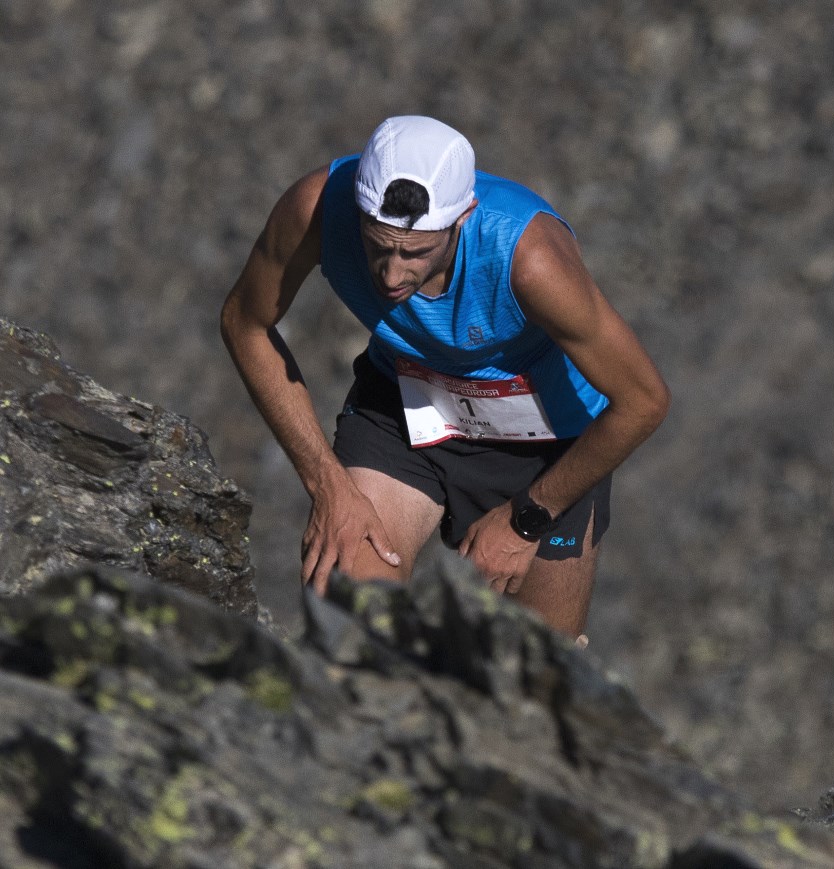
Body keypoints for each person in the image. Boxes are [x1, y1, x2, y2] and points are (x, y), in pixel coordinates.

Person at [220, 115, 669, 643]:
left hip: (548, 444)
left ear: (464, 217)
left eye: (415, 253)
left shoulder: (531, 259)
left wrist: (528, 519)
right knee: (348, 623)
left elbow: (643, 401)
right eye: (377, 245)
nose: (391, 274)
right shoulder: (316, 209)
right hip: (406, 413)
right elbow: (244, 322)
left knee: (534, 679)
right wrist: (328, 485)